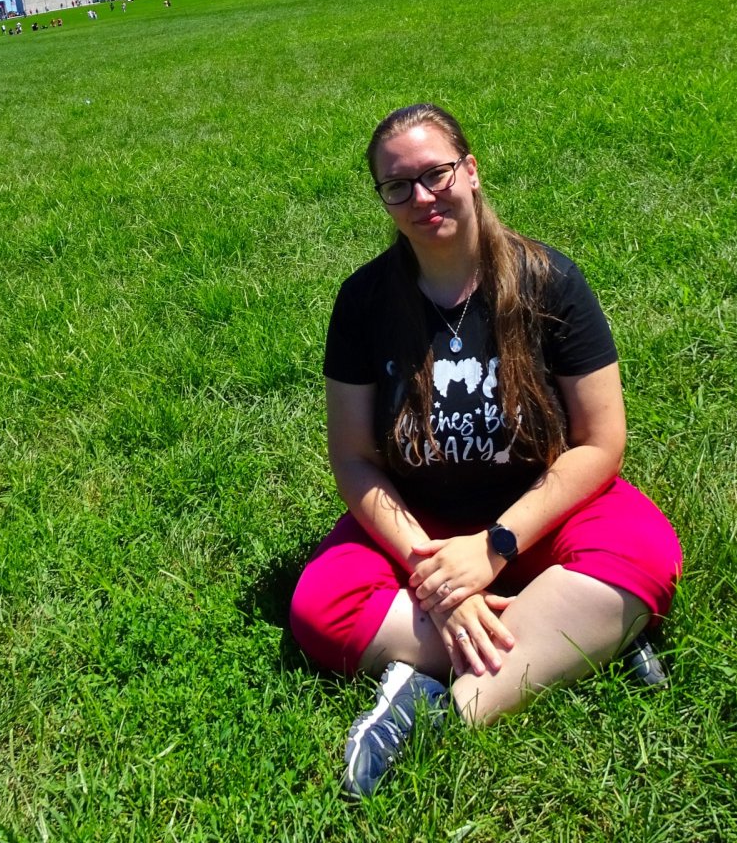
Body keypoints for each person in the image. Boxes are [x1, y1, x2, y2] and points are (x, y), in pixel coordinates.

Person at [290, 104, 681, 799]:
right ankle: (583, 637)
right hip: (421, 524)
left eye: (436, 174)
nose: (421, 197)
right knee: (321, 604)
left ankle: (433, 711)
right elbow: (352, 458)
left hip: (540, 511)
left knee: (644, 553)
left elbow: (601, 442)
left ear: (470, 170)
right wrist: (434, 575)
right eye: (397, 186)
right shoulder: (363, 301)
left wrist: (494, 547)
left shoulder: (550, 281)